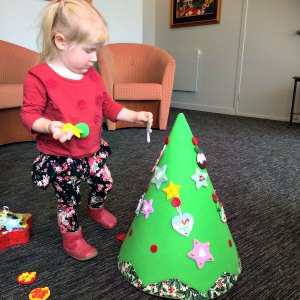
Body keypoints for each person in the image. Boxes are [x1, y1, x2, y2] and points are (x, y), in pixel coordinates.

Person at [20, 0, 153, 261]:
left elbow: (108, 106)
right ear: (61, 42)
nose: (94, 58)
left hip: (91, 151)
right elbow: (28, 114)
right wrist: (49, 125)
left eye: (97, 51)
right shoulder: (39, 77)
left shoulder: (91, 74)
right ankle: (72, 238)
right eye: (89, 50)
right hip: (61, 159)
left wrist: (134, 115)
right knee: (68, 201)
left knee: (105, 183)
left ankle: (95, 207)